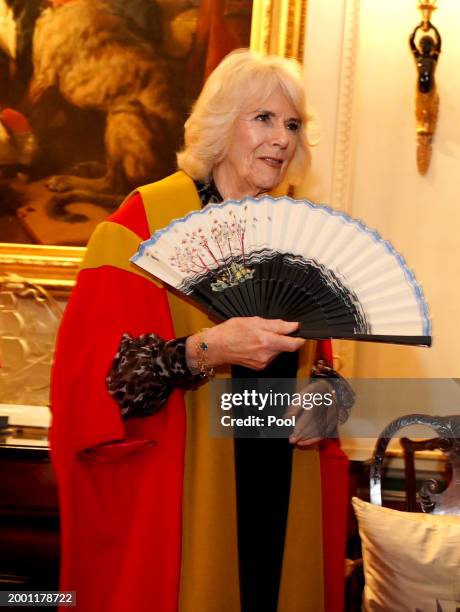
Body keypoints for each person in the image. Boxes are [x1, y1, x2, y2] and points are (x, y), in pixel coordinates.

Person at [51, 49, 351, 612]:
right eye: (262, 118)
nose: (282, 139)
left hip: (283, 487)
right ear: (220, 124)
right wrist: (207, 350)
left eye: (292, 125)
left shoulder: (300, 239)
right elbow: (103, 384)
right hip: (184, 500)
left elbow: (323, 367)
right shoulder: (141, 225)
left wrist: (331, 399)